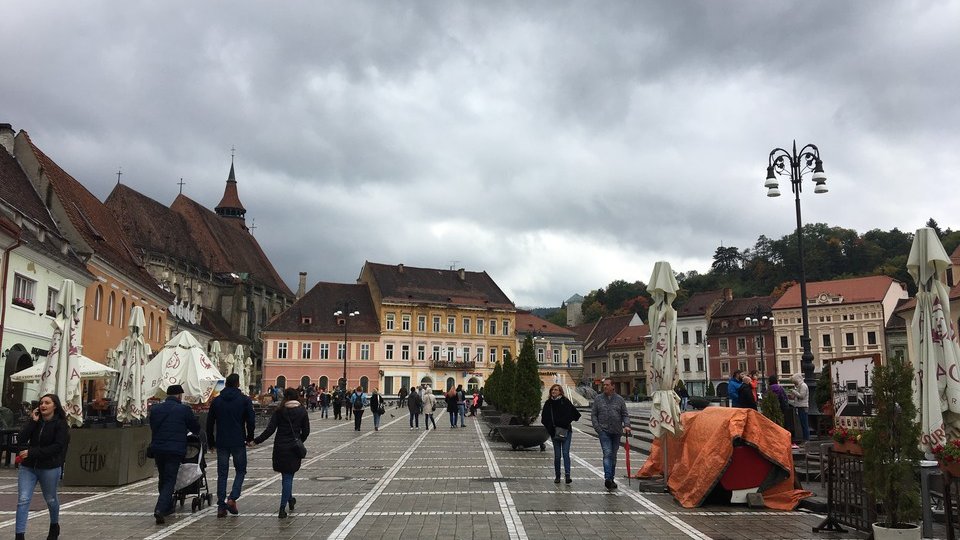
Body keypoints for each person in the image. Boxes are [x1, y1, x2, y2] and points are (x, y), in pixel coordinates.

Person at [15, 393, 70, 540]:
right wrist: (32, 422)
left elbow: (57, 447)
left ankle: (54, 526)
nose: (43, 405)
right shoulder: (36, 421)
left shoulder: (61, 424)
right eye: (41, 403)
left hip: (49, 468)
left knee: (51, 499)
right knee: (23, 499)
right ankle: (19, 536)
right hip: (28, 467)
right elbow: (20, 439)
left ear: (55, 406)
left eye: (47, 403)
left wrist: (32, 452)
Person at [253, 387, 310, 518]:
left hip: (280, 447)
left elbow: (270, 430)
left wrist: (257, 441)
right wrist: (299, 440)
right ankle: (282, 508)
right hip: (294, 448)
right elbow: (306, 431)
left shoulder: (280, 411)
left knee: (286, 476)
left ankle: (290, 499)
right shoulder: (302, 411)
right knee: (288, 476)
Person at [149, 384, 201, 524]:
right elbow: (195, 428)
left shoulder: (155, 409)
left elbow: (152, 426)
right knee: (170, 479)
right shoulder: (184, 409)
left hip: (159, 448)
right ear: (179, 395)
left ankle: (166, 506)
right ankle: (160, 508)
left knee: (163, 476)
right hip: (175, 449)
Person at [206, 373, 256, 518]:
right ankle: (232, 498)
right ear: (238, 384)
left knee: (222, 473)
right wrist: (249, 437)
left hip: (222, 441)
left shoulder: (217, 401)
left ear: (226, 384)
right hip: (238, 441)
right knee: (240, 470)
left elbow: (210, 424)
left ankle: (221, 506)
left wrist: (211, 442)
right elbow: (251, 421)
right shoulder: (244, 400)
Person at [590, 378, 631, 490]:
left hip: (616, 432)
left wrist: (627, 425)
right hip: (604, 431)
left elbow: (625, 414)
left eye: (607, 385)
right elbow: (593, 414)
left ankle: (611, 478)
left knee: (613, 455)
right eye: (604, 385)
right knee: (607, 453)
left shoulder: (620, 399)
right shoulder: (598, 399)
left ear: (613, 386)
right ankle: (608, 478)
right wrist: (598, 428)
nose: (605, 387)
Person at [541, 384, 581, 484]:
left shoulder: (565, 401)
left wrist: (564, 422)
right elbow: (544, 418)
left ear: (560, 392)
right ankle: (557, 476)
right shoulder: (548, 403)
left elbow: (575, 415)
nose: (553, 391)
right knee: (557, 455)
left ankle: (568, 476)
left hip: (566, 431)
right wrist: (551, 428)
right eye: (552, 390)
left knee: (566, 453)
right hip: (554, 432)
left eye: (556, 390)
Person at [788, 373, 810, 443]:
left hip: (803, 407)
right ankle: (805, 439)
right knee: (803, 424)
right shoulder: (799, 386)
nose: (795, 384)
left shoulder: (803, 386)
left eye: (795, 382)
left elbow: (802, 396)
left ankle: (806, 440)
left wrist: (794, 392)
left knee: (804, 424)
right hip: (800, 406)